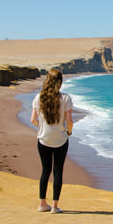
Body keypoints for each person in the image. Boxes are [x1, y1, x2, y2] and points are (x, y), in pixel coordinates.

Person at [30, 68, 73, 214]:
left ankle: (42, 204)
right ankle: (54, 206)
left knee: (45, 171)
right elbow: (69, 121)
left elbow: (33, 120)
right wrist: (69, 132)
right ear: (60, 82)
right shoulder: (66, 98)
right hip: (60, 139)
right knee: (58, 171)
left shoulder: (38, 97)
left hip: (43, 139)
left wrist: (42, 127)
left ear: (47, 81)